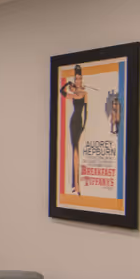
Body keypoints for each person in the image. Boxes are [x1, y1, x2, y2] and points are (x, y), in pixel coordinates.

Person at [60, 65, 88, 195]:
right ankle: (76, 187)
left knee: (77, 152)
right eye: (76, 79)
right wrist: (67, 85)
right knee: (74, 152)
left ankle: (75, 185)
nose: (78, 81)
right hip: (73, 122)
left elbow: (86, 111)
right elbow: (61, 92)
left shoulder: (84, 93)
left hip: (80, 122)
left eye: (80, 79)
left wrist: (84, 126)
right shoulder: (73, 93)